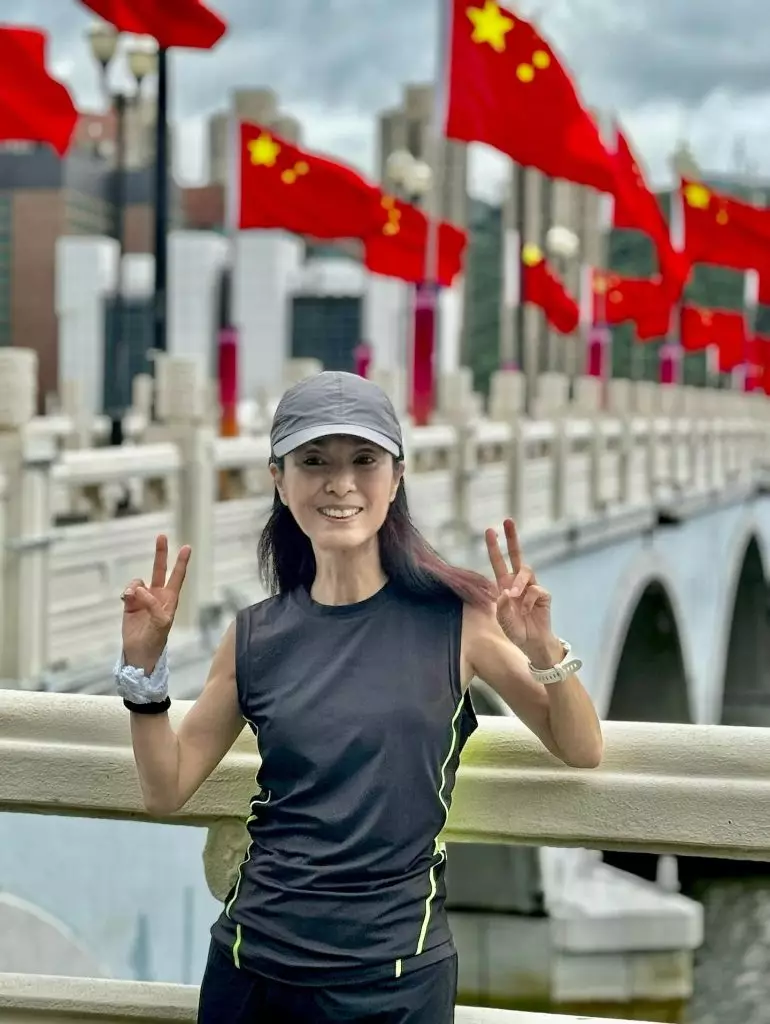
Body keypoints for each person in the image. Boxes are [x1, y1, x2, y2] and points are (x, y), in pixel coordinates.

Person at [115, 371, 603, 1024]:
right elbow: (166, 788)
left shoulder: (458, 622)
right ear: (279, 480)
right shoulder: (255, 636)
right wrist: (144, 671)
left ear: (396, 478)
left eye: (363, 461)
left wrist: (544, 650)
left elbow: (581, 747)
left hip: (393, 976)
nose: (340, 483)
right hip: (251, 967)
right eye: (314, 461)